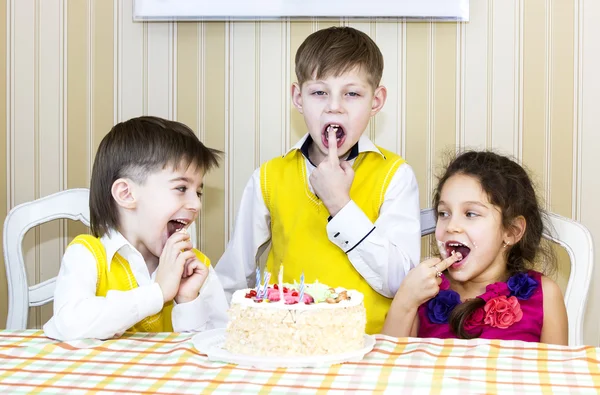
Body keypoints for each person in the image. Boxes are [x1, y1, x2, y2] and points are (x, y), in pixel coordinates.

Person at [215, 26, 421, 334]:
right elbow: (232, 279)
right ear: (298, 98)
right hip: (284, 345)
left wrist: (341, 204)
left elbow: (400, 282)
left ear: (376, 101)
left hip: (370, 348)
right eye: (319, 92)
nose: (334, 106)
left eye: (352, 94)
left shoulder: (396, 176)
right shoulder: (268, 178)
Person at [43, 116, 229, 341]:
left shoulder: (198, 269)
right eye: (181, 188)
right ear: (126, 194)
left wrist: (188, 300)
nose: (196, 204)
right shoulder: (87, 255)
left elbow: (220, 343)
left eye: (198, 192)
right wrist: (157, 293)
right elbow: (70, 324)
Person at [382, 151, 568, 344]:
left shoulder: (545, 294)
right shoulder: (421, 291)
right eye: (444, 213)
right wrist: (405, 300)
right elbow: (384, 368)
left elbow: (557, 372)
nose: (451, 226)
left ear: (511, 231)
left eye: (470, 214)